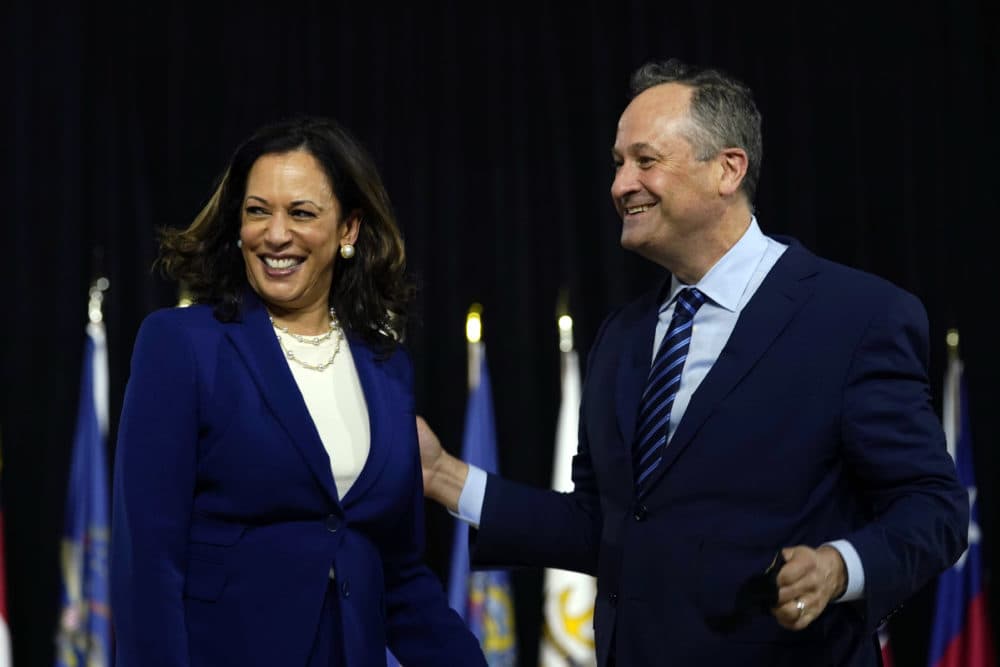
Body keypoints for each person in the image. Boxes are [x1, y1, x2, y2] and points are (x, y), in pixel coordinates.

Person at [417, 59, 969, 665]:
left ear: (727, 170)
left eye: (645, 161)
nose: (620, 184)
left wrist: (842, 566)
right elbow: (606, 525)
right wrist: (444, 475)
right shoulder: (621, 339)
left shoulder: (855, 317)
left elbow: (934, 507)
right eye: (618, 163)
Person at [110, 116, 486, 667]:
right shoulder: (181, 344)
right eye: (257, 211)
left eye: (301, 213)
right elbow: (147, 561)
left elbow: (398, 572)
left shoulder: (387, 367)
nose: (276, 234)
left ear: (349, 229)